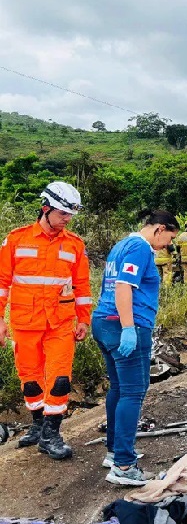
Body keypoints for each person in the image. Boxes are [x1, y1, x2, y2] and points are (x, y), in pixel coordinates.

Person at [0, 181, 92, 460]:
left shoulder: (74, 245)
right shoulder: (16, 240)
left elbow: (82, 286)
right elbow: (2, 283)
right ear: (46, 208)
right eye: (62, 213)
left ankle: (51, 435)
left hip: (60, 324)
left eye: (70, 215)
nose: (66, 219)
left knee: (60, 379)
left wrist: (83, 320)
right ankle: (38, 425)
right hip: (25, 323)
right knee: (30, 380)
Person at [92, 209, 179, 485]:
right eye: (169, 237)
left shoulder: (121, 244)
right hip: (124, 325)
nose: (168, 244)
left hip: (103, 322)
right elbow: (122, 287)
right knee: (133, 392)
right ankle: (124, 467)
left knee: (118, 388)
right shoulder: (141, 249)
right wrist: (129, 328)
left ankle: (115, 451)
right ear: (159, 229)